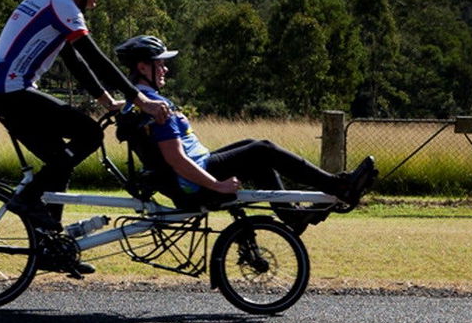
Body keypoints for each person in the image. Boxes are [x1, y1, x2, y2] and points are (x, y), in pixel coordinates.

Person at [0, 0, 168, 271]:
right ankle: (26, 200)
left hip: (1, 91)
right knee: (89, 133)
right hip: (8, 91)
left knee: (60, 163)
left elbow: (74, 61)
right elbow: (94, 57)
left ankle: (52, 250)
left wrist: (107, 100)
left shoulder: (47, 0)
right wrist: (140, 100)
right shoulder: (62, 5)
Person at [113, 33, 377, 230]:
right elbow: (177, 160)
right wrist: (217, 184)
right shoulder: (154, 107)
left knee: (255, 149)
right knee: (263, 149)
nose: (165, 68)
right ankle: (338, 186)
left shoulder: (139, 102)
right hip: (194, 186)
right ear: (142, 67)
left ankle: (293, 215)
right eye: (160, 63)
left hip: (190, 178)